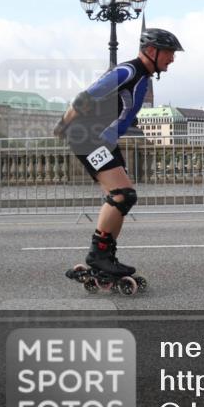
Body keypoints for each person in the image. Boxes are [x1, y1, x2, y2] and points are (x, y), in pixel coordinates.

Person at [56, 28, 184, 290]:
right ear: (151, 51)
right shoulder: (128, 71)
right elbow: (86, 96)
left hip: (102, 140)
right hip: (88, 137)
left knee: (123, 196)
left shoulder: (144, 78)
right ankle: (99, 255)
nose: (172, 59)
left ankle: (104, 254)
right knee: (121, 194)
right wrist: (63, 124)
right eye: (169, 53)